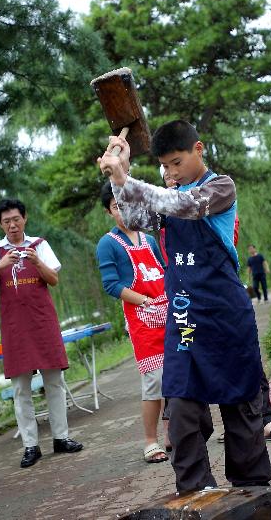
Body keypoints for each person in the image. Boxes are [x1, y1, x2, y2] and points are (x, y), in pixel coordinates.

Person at [98, 119, 271, 492]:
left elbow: (184, 205)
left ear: (199, 149)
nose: (170, 172)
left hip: (225, 314)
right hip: (184, 316)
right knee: (179, 405)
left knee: (240, 401)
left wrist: (127, 179)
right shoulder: (166, 196)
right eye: (164, 165)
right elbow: (132, 216)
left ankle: (252, 488)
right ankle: (195, 490)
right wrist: (119, 177)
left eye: (176, 162)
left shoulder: (220, 187)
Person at [159, 166, 271, 443]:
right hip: (183, 300)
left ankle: (263, 420)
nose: (172, 175)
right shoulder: (161, 209)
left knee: (244, 357)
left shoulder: (215, 192)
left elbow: (223, 239)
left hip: (219, 294)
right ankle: (186, 430)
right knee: (183, 365)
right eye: (166, 171)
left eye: (177, 166)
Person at [0, 199, 83, 468]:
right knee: (20, 389)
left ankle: (61, 438)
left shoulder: (39, 245)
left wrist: (37, 261)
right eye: (6, 221)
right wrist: (0, 265)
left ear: (25, 218)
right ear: (0, 224)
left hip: (43, 323)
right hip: (14, 327)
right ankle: (31, 445)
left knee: (54, 382)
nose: (12, 225)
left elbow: (53, 280)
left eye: (16, 219)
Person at [96, 181, 169, 464]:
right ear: (108, 211)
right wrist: (143, 301)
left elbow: (163, 271)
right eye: (116, 207)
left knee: (176, 376)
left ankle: (174, 433)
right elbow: (111, 285)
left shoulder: (149, 239)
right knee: (154, 381)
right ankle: (150, 441)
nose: (122, 211)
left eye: (126, 204)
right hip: (142, 318)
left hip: (167, 314)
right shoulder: (108, 244)